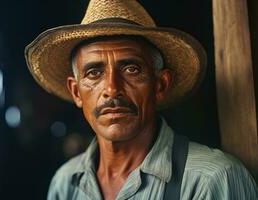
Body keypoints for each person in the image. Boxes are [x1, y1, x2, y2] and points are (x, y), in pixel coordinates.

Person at [25, 0, 258, 199]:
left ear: (160, 85)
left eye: (131, 69)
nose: (112, 89)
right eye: (94, 73)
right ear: (76, 92)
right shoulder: (66, 184)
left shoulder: (211, 180)